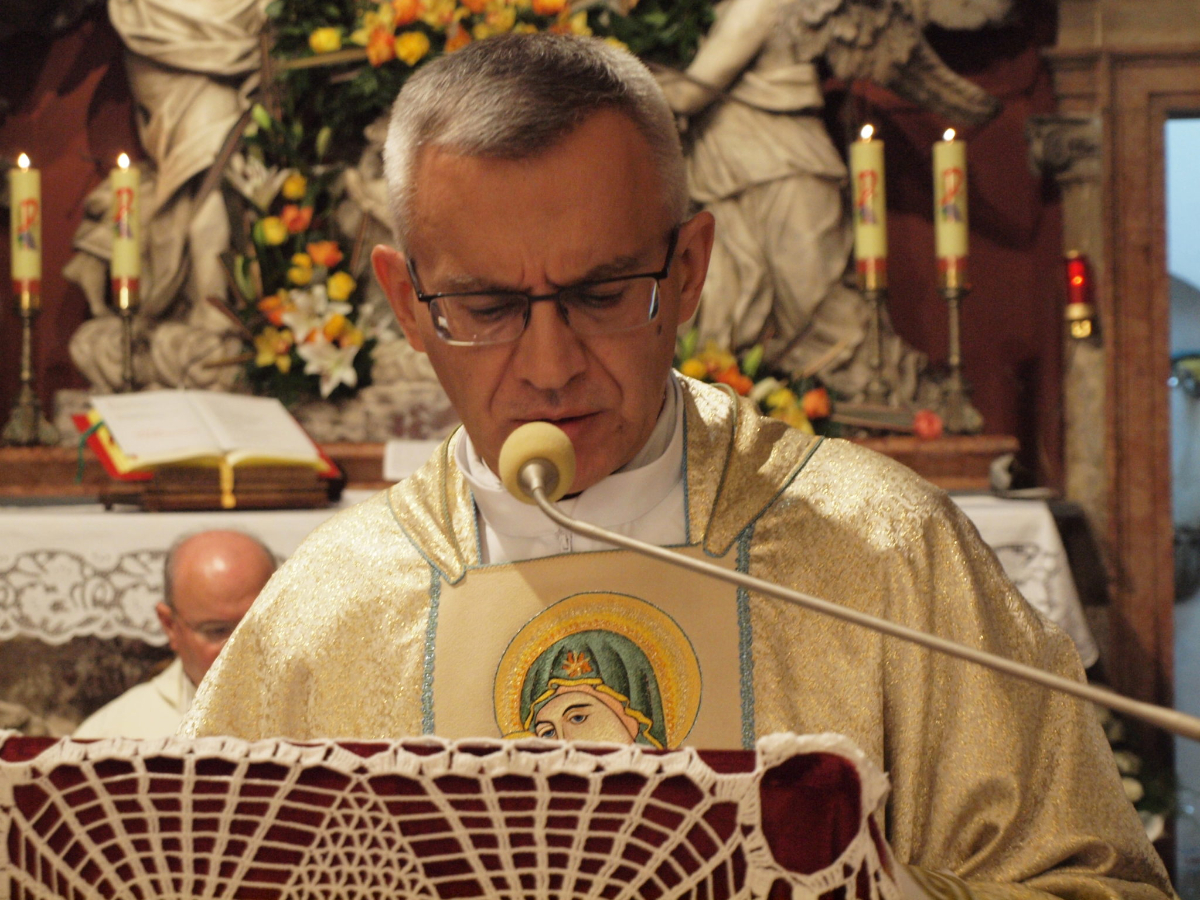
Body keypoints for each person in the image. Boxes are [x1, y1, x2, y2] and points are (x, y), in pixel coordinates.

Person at [184, 34, 1172, 898]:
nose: (549, 366)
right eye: (486, 307)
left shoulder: (885, 555)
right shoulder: (327, 612)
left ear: (690, 269)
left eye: (604, 293)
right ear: (406, 302)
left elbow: (1095, 883)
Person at [75, 530, 275, 739]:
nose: (241, 648)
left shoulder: (301, 711)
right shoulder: (113, 735)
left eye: (257, 625)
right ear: (170, 626)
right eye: (217, 630)